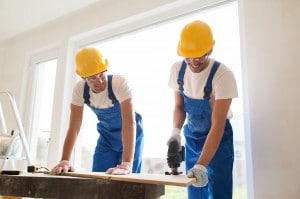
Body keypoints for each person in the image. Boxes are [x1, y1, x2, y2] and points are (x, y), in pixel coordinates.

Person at [167, 20, 238, 199]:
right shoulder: (178, 70)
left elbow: (218, 123)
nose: (193, 62)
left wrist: (202, 164)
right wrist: (176, 132)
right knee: (194, 190)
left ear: (210, 50)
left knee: (219, 190)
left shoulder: (223, 75)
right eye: (188, 57)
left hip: (218, 138)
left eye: (198, 56)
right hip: (192, 137)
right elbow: (179, 106)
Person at [51, 47, 144, 175]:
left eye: (101, 74)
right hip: (107, 137)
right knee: (98, 179)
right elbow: (74, 127)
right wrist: (64, 160)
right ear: (83, 77)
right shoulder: (80, 90)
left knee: (129, 181)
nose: (99, 81)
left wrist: (127, 164)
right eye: (93, 78)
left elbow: (129, 122)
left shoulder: (119, 83)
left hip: (131, 133)